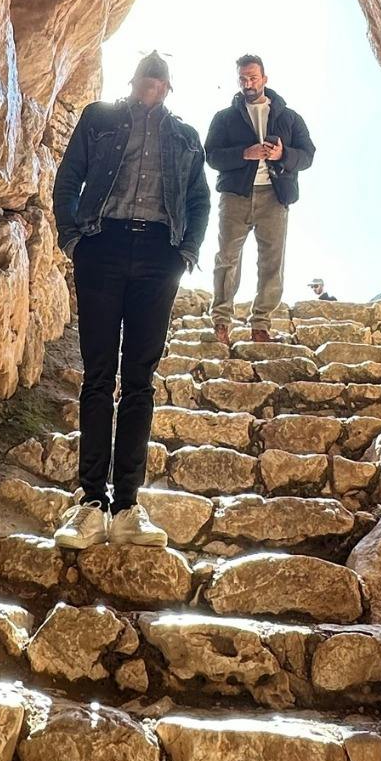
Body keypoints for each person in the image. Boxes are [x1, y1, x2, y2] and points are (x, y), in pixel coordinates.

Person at [50, 51, 210, 548]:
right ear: (134, 79)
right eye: (146, 76)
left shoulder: (186, 136)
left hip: (158, 255)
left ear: (168, 86)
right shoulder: (99, 118)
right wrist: (74, 240)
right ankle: (91, 504)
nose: (152, 84)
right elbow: (67, 180)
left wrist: (184, 252)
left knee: (140, 381)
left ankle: (127, 508)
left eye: (161, 78)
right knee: (99, 376)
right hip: (104, 245)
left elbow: (199, 200)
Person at [204, 54, 316, 344]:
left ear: (264, 78)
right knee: (227, 257)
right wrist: (245, 153)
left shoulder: (290, 118)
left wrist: (283, 155)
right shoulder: (224, 118)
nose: (248, 83)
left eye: (253, 77)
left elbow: (308, 155)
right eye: (242, 78)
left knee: (271, 261)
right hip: (235, 195)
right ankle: (221, 322)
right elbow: (211, 156)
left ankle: (261, 326)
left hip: (275, 197)